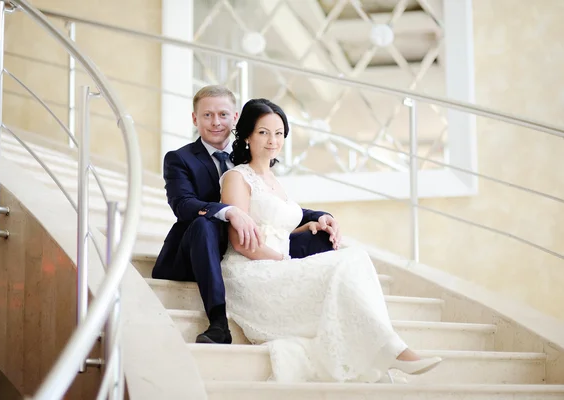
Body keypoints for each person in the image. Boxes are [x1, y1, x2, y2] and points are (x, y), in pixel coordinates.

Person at [219, 98, 442, 383]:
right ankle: (393, 349)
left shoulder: (275, 180)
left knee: (356, 256)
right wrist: (283, 261)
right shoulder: (236, 178)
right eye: (263, 132)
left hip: (277, 266)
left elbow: (273, 229)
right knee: (350, 260)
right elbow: (240, 242)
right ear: (248, 135)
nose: (272, 140)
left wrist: (308, 226)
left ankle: (391, 346)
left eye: (278, 133)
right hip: (251, 273)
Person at [152, 85, 339, 344]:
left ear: (236, 118)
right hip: (201, 248)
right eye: (207, 115)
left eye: (223, 115)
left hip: (249, 243)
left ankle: (315, 310)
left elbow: (269, 204)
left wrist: (318, 216)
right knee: (203, 224)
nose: (216, 122)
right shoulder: (180, 159)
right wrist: (229, 212)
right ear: (195, 119)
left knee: (321, 238)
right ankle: (218, 323)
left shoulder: (255, 156)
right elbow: (183, 204)